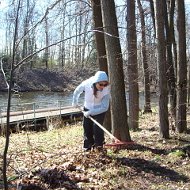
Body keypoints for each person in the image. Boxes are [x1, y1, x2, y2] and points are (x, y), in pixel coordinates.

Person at [72, 71, 110, 151]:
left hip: (100, 110)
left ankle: (99, 147)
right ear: (96, 82)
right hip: (87, 107)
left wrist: (91, 112)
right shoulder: (86, 83)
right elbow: (77, 91)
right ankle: (88, 146)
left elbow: (105, 107)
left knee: (97, 128)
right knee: (87, 127)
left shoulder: (106, 89)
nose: (103, 86)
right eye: (100, 84)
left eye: (104, 84)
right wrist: (75, 102)